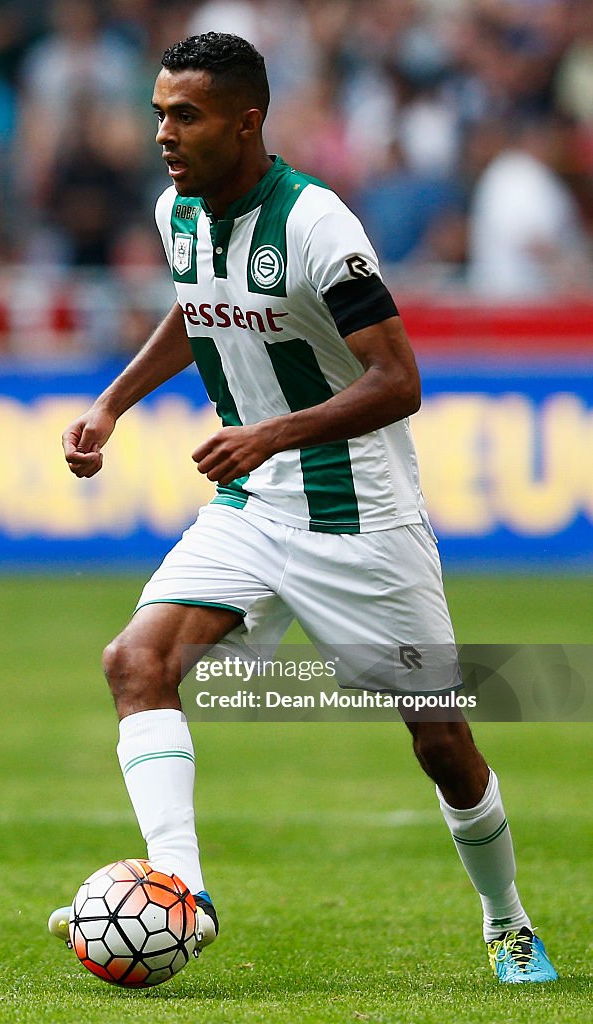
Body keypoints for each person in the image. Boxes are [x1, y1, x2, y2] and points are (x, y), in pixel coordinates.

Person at [48, 32, 557, 984]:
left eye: (185, 115)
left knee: (441, 742)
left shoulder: (319, 224)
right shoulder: (178, 212)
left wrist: (272, 432)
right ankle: (182, 893)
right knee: (135, 662)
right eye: (158, 111)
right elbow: (198, 305)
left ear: (246, 122)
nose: (163, 131)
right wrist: (113, 402)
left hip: (362, 519)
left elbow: (397, 381)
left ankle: (506, 921)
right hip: (250, 507)